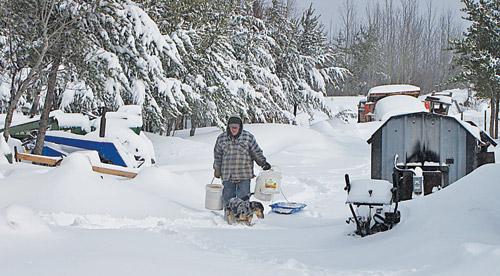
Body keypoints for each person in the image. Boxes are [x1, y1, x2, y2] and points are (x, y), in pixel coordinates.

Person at [213, 115, 271, 206]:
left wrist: (263, 163)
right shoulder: (222, 138)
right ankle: (229, 218)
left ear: (240, 127)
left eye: (236, 127)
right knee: (228, 199)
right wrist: (217, 169)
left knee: (243, 200)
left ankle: (243, 219)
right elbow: (217, 155)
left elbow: (256, 152)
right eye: (232, 127)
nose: (234, 129)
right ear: (228, 127)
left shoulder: (248, 137)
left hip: (244, 174)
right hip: (227, 174)